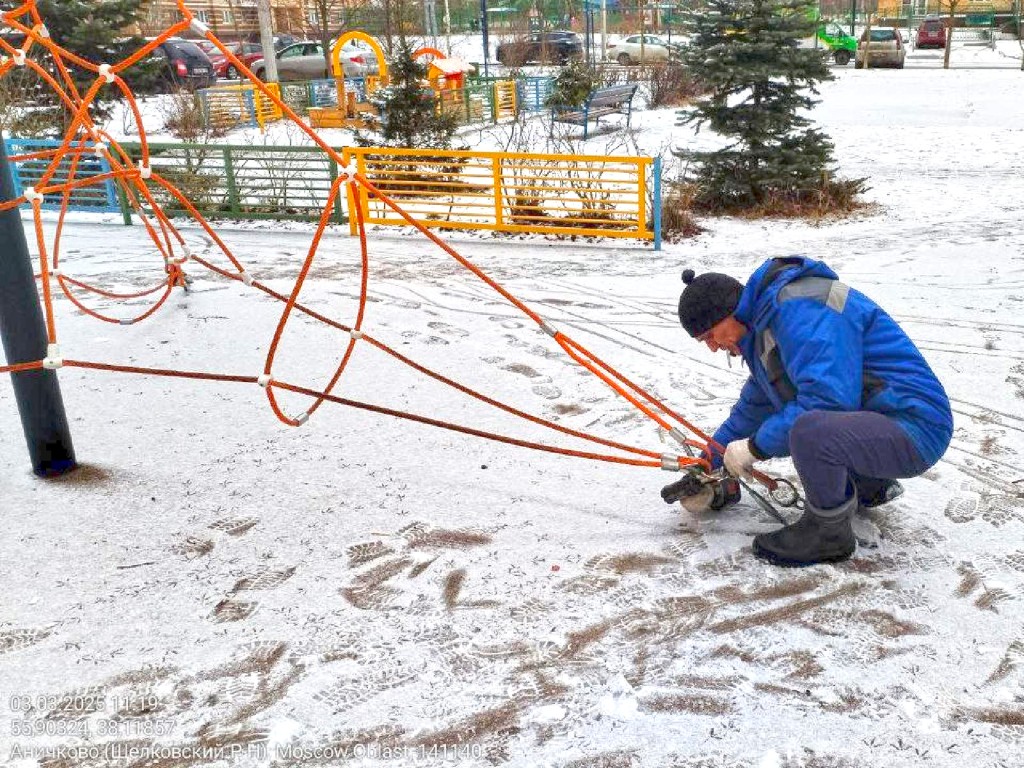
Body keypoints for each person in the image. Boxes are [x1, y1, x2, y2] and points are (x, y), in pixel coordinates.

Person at [675, 256, 953, 567]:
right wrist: (707, 461)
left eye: (710, 336)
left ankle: (828, 533)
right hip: (887, 422)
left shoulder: (799, 310)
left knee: (809, 430)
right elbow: (751, 412)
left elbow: (829, 401)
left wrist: (754, 448)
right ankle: (868, 485)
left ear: (727, 314)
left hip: (916, 427)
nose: (713, 347)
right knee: (801, 418)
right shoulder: (765, 330)